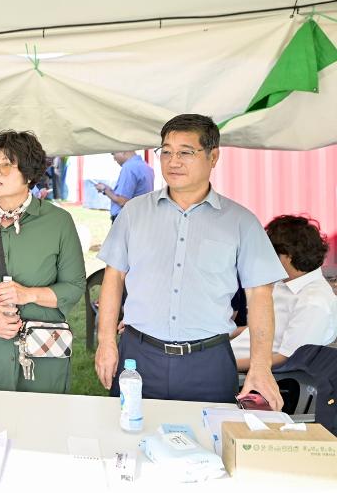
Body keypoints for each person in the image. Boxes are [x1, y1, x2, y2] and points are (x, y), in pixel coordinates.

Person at [95, 114, 286, 408]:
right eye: (166, 152)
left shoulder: (241, 222)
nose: (173, 161)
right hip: (139, 358)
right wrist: (106, 341)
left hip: (208, 362)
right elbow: (113, 277)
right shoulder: (134, 213)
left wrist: (260, 365)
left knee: (210, 446)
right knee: (128, 441)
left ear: (213, 157)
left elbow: (260, 295)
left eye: (186, 152)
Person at [0, 130, 86, 392]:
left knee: (41, 425)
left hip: (43, 353)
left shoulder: (58, 223)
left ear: (29, 175)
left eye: (6, 165)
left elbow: (74, 286)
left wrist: (28, 294)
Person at [231, 215, 337, 371]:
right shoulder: (283, 284)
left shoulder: (313, 301)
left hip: (246, 374)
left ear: (287, 256)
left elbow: (287, 359)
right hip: (230, 358)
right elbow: (266, 329)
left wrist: (224, 367)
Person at [95, 151, 155, 222]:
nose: (114, 159)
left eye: (114, 154)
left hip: (126, 220)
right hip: (140, 217)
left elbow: (122, 201)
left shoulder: (129, 167)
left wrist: (104, 189)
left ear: (123, 151)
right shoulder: (146, 166)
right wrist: (108, 189)